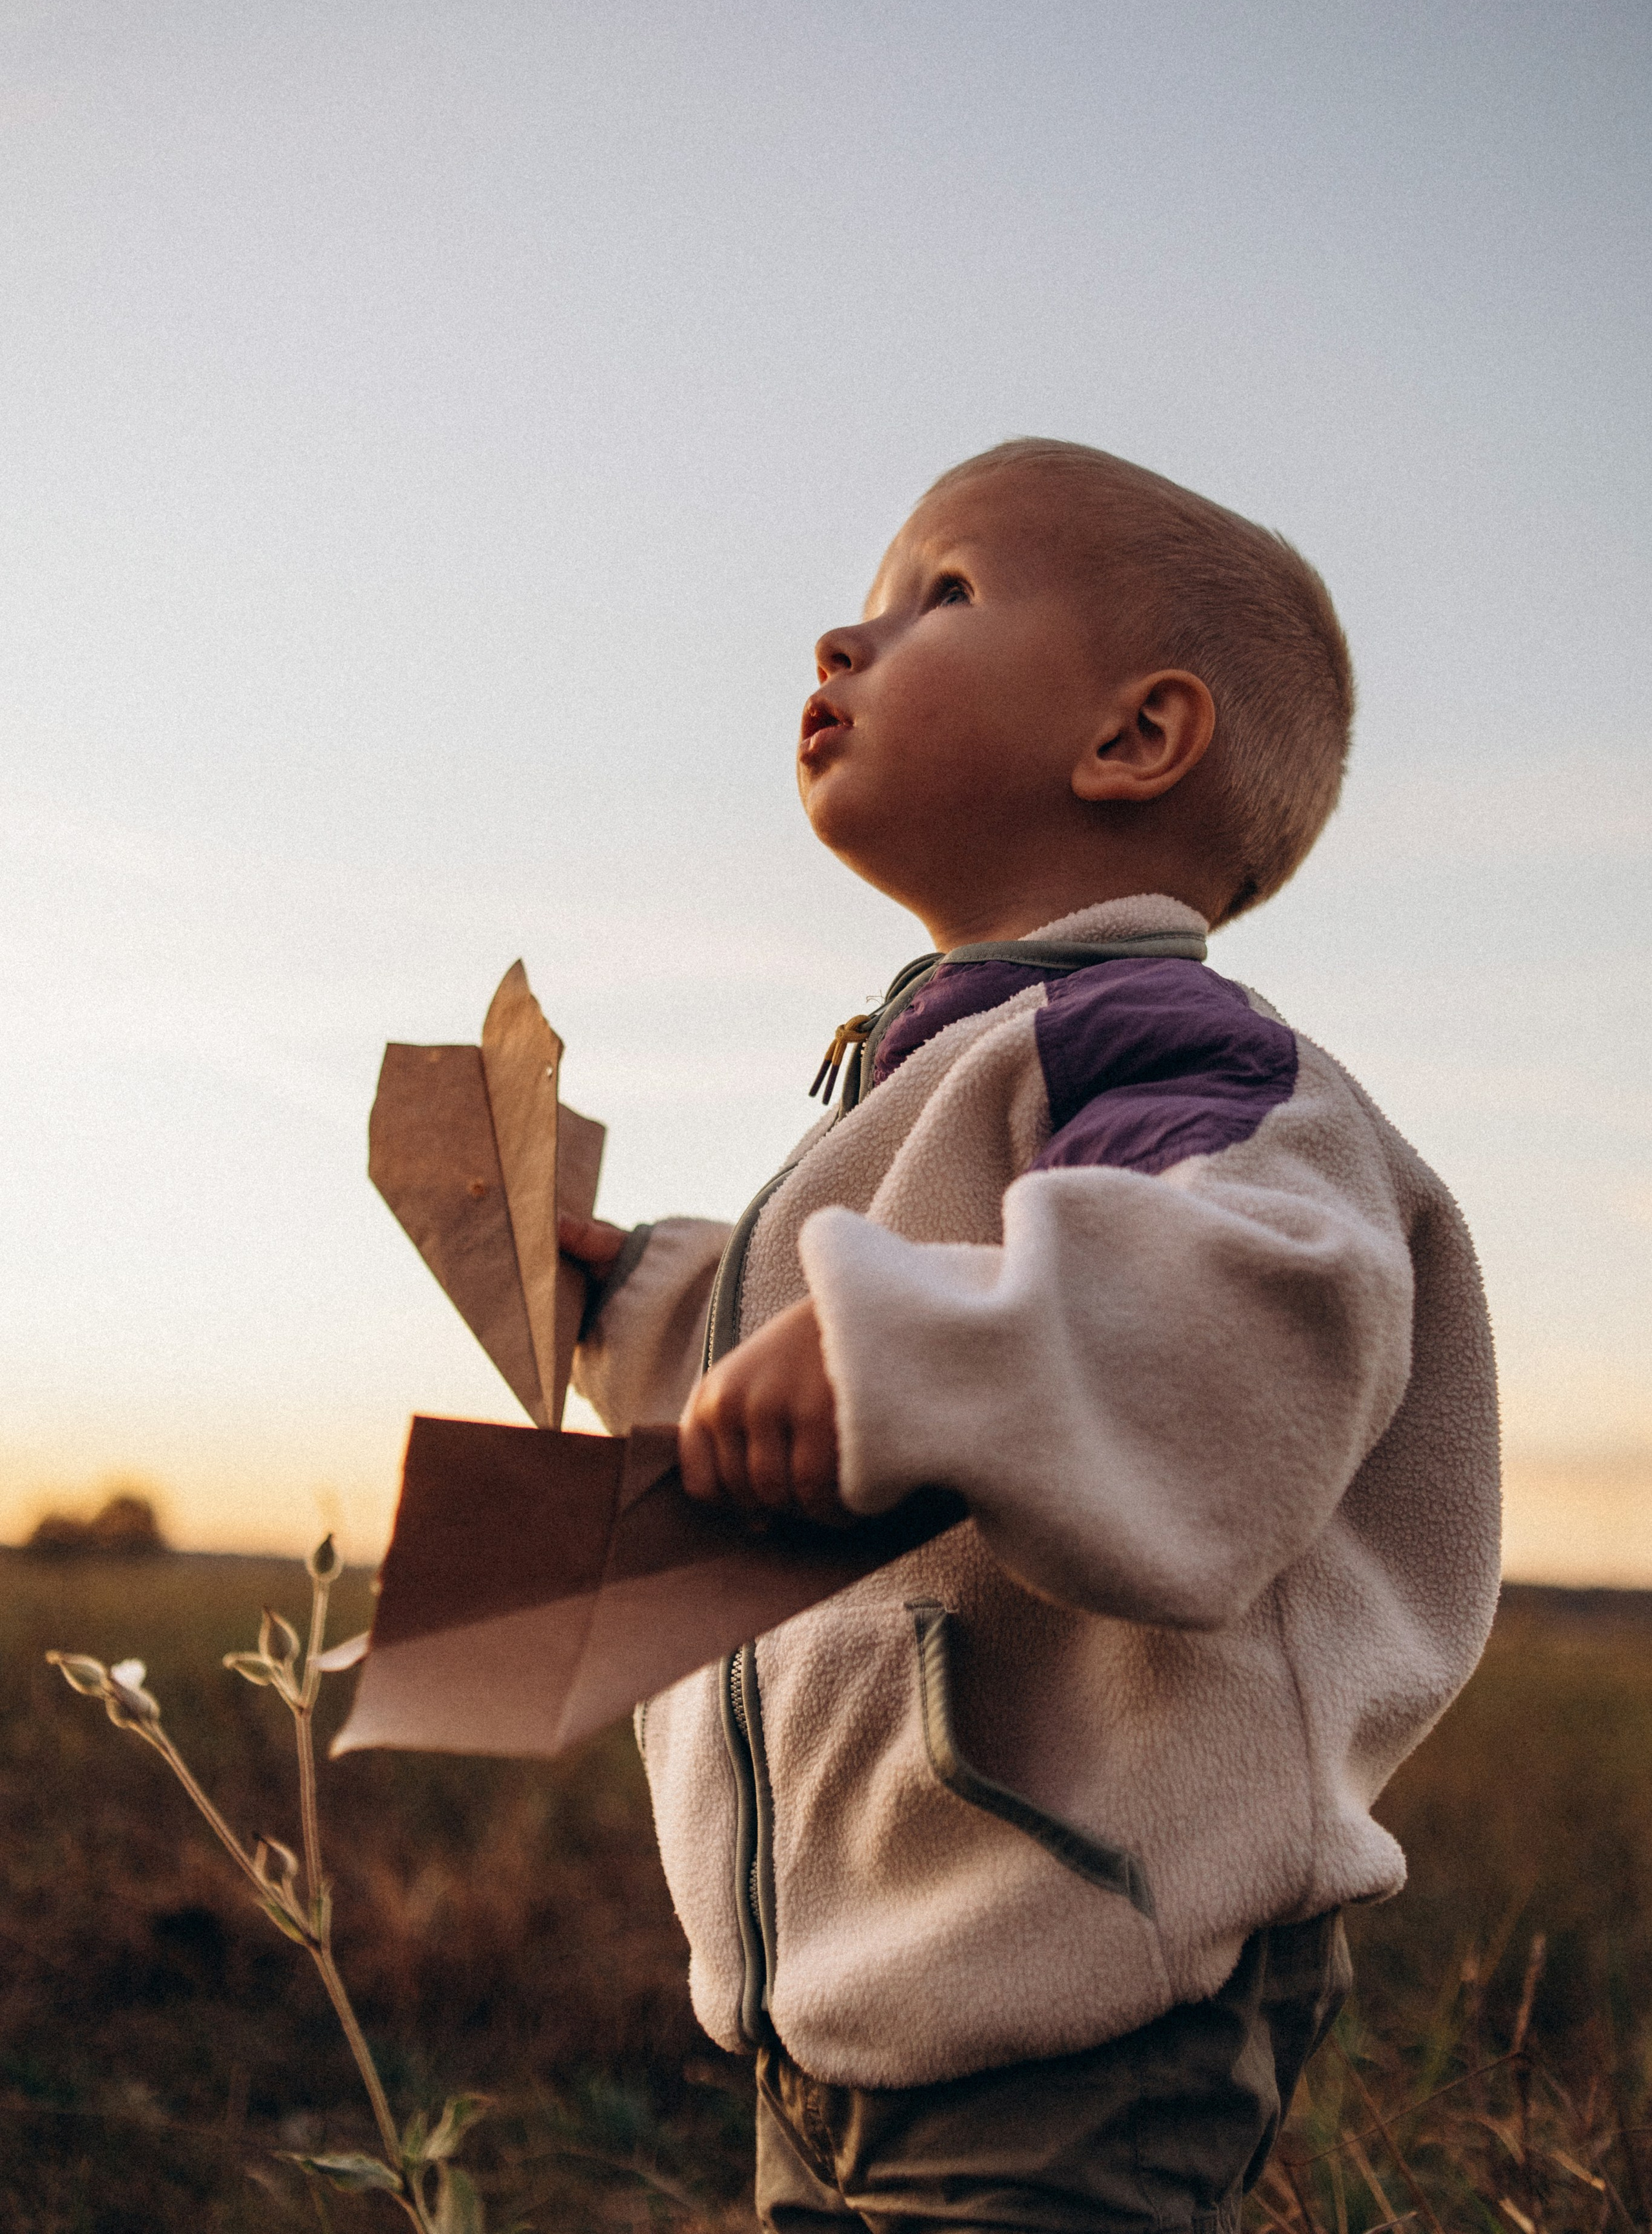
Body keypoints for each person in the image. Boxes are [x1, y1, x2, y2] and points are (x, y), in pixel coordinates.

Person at [561, 438, 1500, 2234]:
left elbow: (1224, 1327)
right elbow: (825, 1328)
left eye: (943, 596)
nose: (846, 638)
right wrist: (639, 1302)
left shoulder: (1179, 1056)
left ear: (1137, 740)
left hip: (1085, 1991)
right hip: (845, 2004)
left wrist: (901, 1348)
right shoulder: (933, 1071)